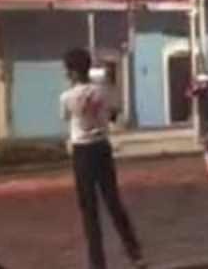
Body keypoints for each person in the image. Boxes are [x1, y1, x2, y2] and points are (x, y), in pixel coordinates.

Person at [60, 48, 147, 269]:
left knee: (89, 210)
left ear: (72, 72)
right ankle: (135, 253)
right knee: (113, 202)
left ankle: (97, 263)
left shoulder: (67, 97)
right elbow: (114, 115)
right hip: (101, 148)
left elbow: (66, 118)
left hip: (82, 151)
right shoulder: (103, 91)